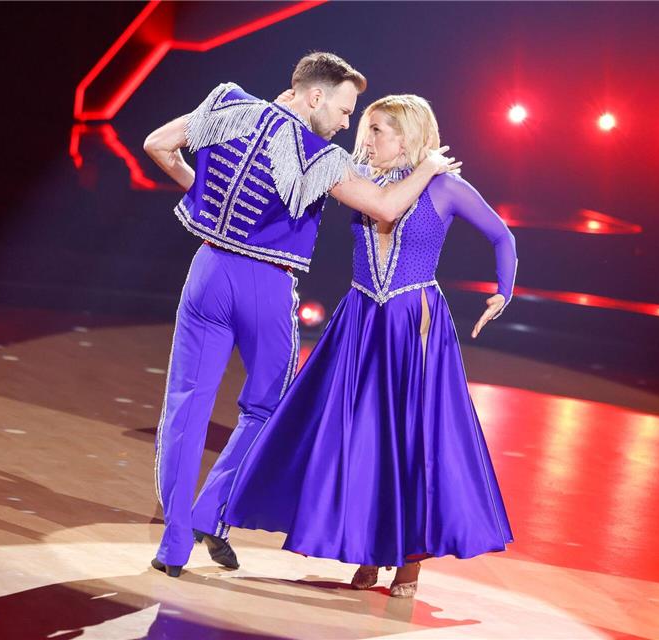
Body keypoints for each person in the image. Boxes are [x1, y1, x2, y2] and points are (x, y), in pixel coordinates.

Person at [142, 53, 460, 577]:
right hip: (265, 284)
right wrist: (427, 168)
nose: (343, 123)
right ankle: (211, 510)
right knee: (268, 409)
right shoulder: (318, 154)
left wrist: (202, 193)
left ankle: (173, 544)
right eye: (342, 108)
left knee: (184, 407)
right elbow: (383, 208)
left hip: (206, 271)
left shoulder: (227, 105)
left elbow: (157, 144)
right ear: (315, 96)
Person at [222, 94, 517, 598]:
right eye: (366, 128)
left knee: (413, 438)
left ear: (406, 135)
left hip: (412, 322)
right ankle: (367, 548)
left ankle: (408, 560)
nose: (366, 138)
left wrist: (502, 291)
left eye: (378, 130)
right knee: (357, 437)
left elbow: (501, 236)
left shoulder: (447, 187)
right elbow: (377, 204)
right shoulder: (358, 182)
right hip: (360, 317)